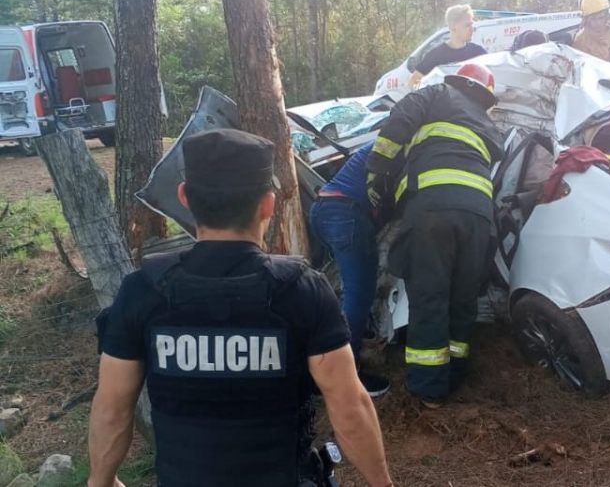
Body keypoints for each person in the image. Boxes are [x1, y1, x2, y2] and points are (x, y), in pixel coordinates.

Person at [87, 129, 393, 487]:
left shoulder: (143, 290)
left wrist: (100, 482)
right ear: (268, 204)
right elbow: (349, 406)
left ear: (184, 197)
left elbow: (112, 407)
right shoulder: (303, 290)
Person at [367, 64, 503, 408]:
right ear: (485, 96)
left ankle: (429, 388)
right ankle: (455, 373)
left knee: (430, 296)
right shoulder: (489, 124)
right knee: (463, 297)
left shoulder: (436, 93)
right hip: (479, 215)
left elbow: (397, 123)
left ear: (457, 81)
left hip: (432, 207)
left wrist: (377, 171)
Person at [309, 141, 391, 397]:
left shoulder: (387, 139)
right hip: (345, 213)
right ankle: (345, 376)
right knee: (358, 295)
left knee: (346, 292)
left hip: (324, 208)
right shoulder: (407, 141)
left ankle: (327, 362)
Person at [407, 4, 487, 90]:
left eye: (472, 24)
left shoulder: (479, 53)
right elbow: (413, 82)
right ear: (453, 27)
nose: (472, 29)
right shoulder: (436, 55)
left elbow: (491, 83)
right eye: (467, 25)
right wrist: (432, 95)